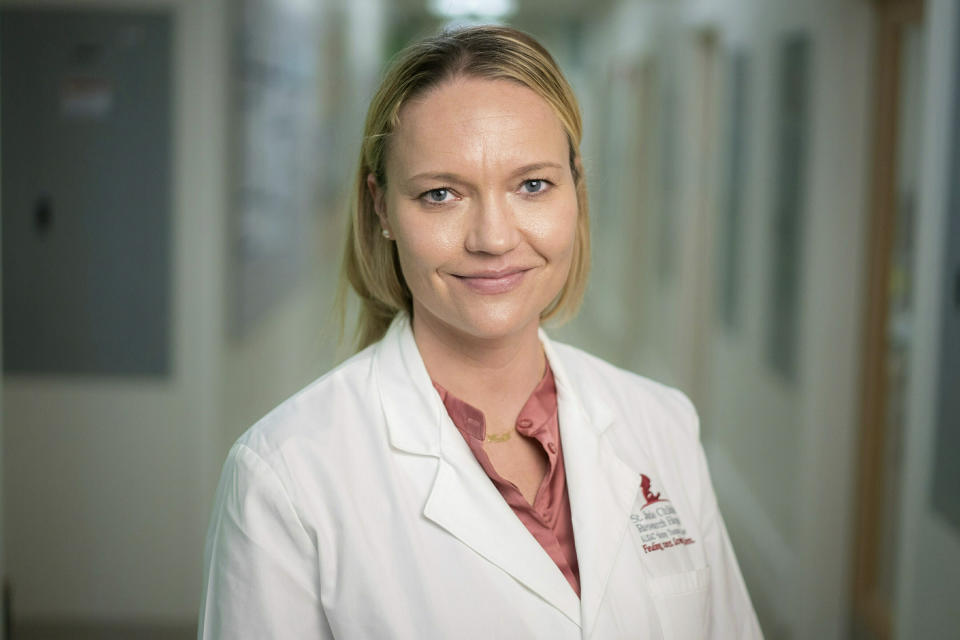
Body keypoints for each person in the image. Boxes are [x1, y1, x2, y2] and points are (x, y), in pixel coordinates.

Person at [198, 25, 762, 639]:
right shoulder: (286, 477)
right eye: (441, 194)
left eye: (533, 185)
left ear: (577, 187)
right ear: (382, 207)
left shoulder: (663, 424)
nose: (493, 238)